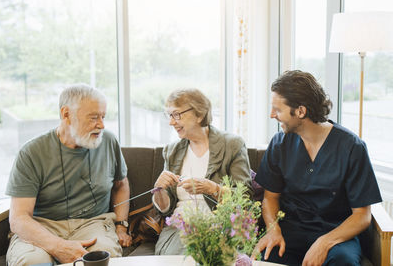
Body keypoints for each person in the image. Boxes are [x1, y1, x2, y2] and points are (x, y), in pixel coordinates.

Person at [252, 70, 382, 266]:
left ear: (301, 111)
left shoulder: (351, 147)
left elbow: (362, 216)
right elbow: (270, 198)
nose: (272, 115)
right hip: (291, 231)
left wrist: (324, 242)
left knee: (343, 262)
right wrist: (273, 231)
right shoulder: (280, 144)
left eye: (278, 110)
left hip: (337, 233)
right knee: (264, 258)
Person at [6, 84, 132, 266]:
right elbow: (19, 218)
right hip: (43, 225)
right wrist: (58, 246)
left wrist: (121, 225)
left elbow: (121, 185)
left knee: (101, 258)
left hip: (93, 223)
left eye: (103, 117)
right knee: (33, 261)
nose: (102, 125)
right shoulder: (32, 152)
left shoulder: (109, 141)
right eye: (94, 117)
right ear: (66, 114)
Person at [152, 88, 253, 255]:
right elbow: (164, 209)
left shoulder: (232, 145)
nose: (171, 122)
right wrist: (159, 190)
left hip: (219, 225)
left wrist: (213, 189)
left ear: (199, 115)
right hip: (180, 228)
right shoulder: (172, 150)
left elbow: (244, 199)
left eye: (177, 115)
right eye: (169, 115)